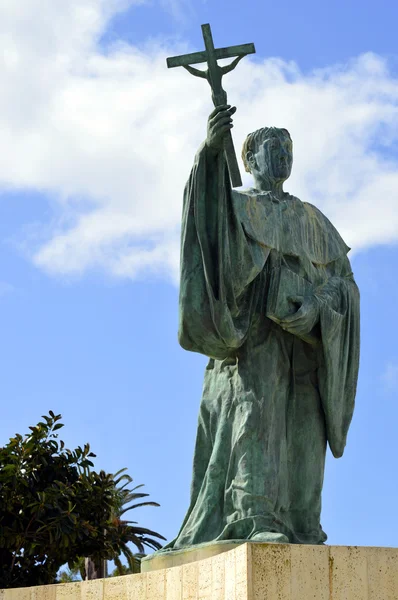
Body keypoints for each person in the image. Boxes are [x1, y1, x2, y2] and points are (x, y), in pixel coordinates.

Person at [169, 105, 360, 547]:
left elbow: (344, 284)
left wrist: (317, 306)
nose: (283, 156)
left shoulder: (314, 220)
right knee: (256, 418)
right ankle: (252, 517)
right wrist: (211, 153)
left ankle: (302, 522)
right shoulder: (235, 206)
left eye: (288, 148)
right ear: (250, 158)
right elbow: (205, 225)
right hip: (253, 341)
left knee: (304, 431)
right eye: (273, 148)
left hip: (308, 343)